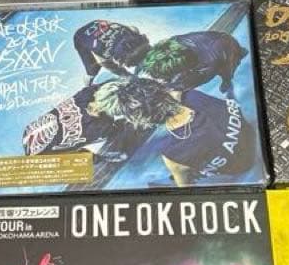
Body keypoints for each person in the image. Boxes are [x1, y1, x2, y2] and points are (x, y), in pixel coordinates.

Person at [92, 77, 259, 186]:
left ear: (141, 119)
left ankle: (189, 172)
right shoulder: (194, 95)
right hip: (249, 136)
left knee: (178, 175)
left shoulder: (173, 154)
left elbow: (186, 189)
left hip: (242, 165)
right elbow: (174, 93)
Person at [136, 31, 248, 97]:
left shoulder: (208, 64)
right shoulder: (173, 42)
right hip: (213, 41)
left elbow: (193, 82)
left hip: (226, 51)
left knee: (227, 72)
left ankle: (227, 80)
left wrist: (172, 87)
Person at [73, 20, 152, 83]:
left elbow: (134, 29)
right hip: (80, 37)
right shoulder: (103, 52)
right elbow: (106, 64)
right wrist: (126, 75)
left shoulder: (131, 32)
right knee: (93, 70)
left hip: (99, 26)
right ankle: (89, 81)